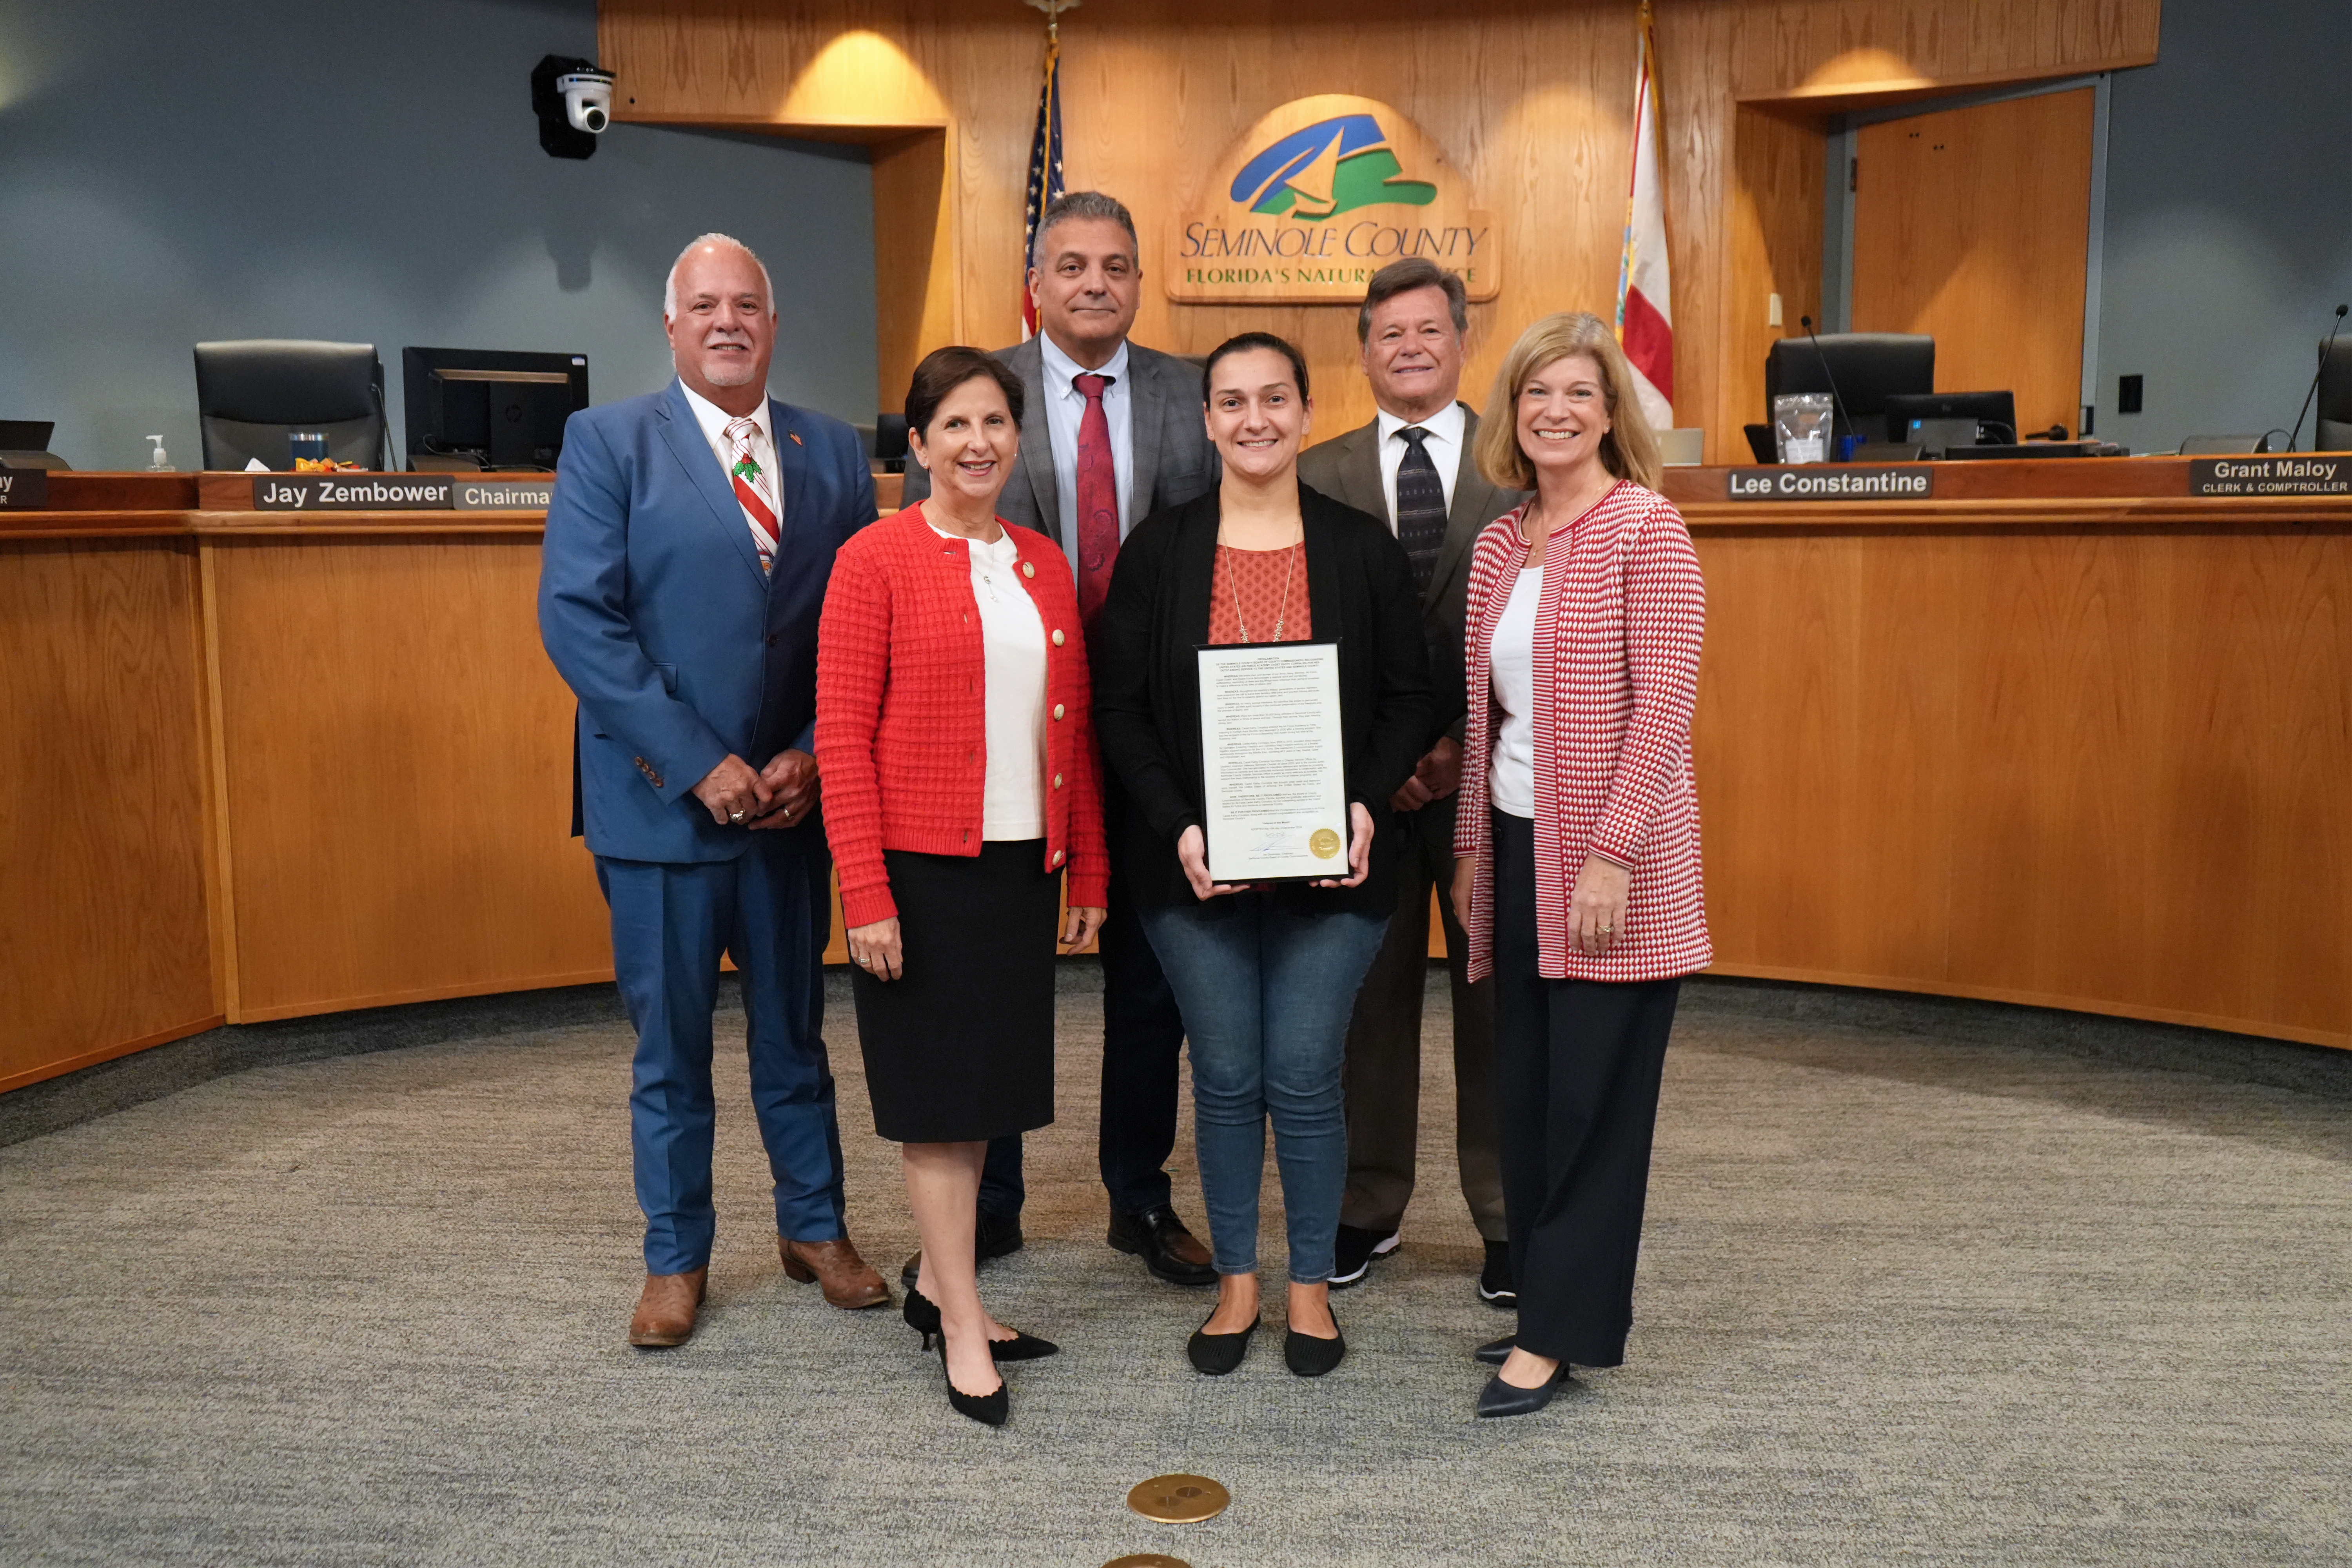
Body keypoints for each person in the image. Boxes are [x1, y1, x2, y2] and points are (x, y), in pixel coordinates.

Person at [539, 233, 889, 1348]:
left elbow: (855, 625)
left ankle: (815, 1227)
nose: (728, 321)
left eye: (748, 304)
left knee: (796, 1034)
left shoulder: (831, 451)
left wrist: (812, 754)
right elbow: (579, 621)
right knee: (672, 1051)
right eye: (706, 306)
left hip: (790, 813)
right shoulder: (607, 443)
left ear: (774, 325)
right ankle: (675, 1258)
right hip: (660, 816)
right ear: (672, 325)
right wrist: (700, 762)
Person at [1093, 333, 1431, 1378]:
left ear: (1305, 408)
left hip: (1337, 866)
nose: (1253, 419)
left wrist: (1368, 802)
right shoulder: (1160, 550)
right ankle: (1239, 1283)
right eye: (1231, 402)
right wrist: (1177, 827)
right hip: (1191, 867)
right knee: (1230, 1074)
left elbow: (1411, 695)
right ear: (1206, 419)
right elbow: (1122, 710)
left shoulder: (1360, 546)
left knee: (1303, 1071)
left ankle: (1310, 1291)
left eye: (1273, 399)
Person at [900, 191, 1220, 1290]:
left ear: (1139, 282)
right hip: (1000, 743)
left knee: (1152, 982)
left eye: (1118, 266)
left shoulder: (1194, 391)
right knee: (991, 976)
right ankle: (990, 1201)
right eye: (1073, 265)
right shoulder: (971, 392)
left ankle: (1138, 1193)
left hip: (1153, 741)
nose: (1096, 284)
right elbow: (925, 556)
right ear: (1035, 284)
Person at [817, 346, 1109, 1426]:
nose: (978, 443)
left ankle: (941, 1280)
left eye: (995, 423)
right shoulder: (874, 560)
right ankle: (960, 1322)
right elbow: (842, 739)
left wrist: (1089, 863)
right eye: (955, 426)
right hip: (917, 873)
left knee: (985, 1092)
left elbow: (1068, 727)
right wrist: (867, 894)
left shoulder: (1040, 562)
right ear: (920, 443)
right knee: (938, 1109)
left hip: (1017, 872)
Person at [1447, 311, 1710, 1418]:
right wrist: (1471, 851)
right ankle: (1546, 1301)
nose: (1556, 411)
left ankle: (1558, 1336)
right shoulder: (1503, 542)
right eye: (1536, 394)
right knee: (1530, 1098)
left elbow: (1665, 709)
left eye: (1579, 394)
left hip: (1618, 869)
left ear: (1613, 412)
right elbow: (1484, 716)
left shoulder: (1647, 529)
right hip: (1513, 849)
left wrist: (1610, 856)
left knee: (1595, 1109)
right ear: (1513, 412)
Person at [1298, 257, 1528, 1304]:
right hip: (1362, 792)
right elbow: (1300, 632)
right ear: (1365, 350)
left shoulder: (1520, 462)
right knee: (1366, 1003)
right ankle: (1367, 1203)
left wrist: (1454, 748)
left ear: (1462, 341)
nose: (1410, 349)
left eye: (1428, 331)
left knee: (1493, 1003)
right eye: (1388, 334)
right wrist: (1379, 764)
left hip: (1490, 778)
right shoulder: (1318, 471)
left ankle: (1507, 1214)